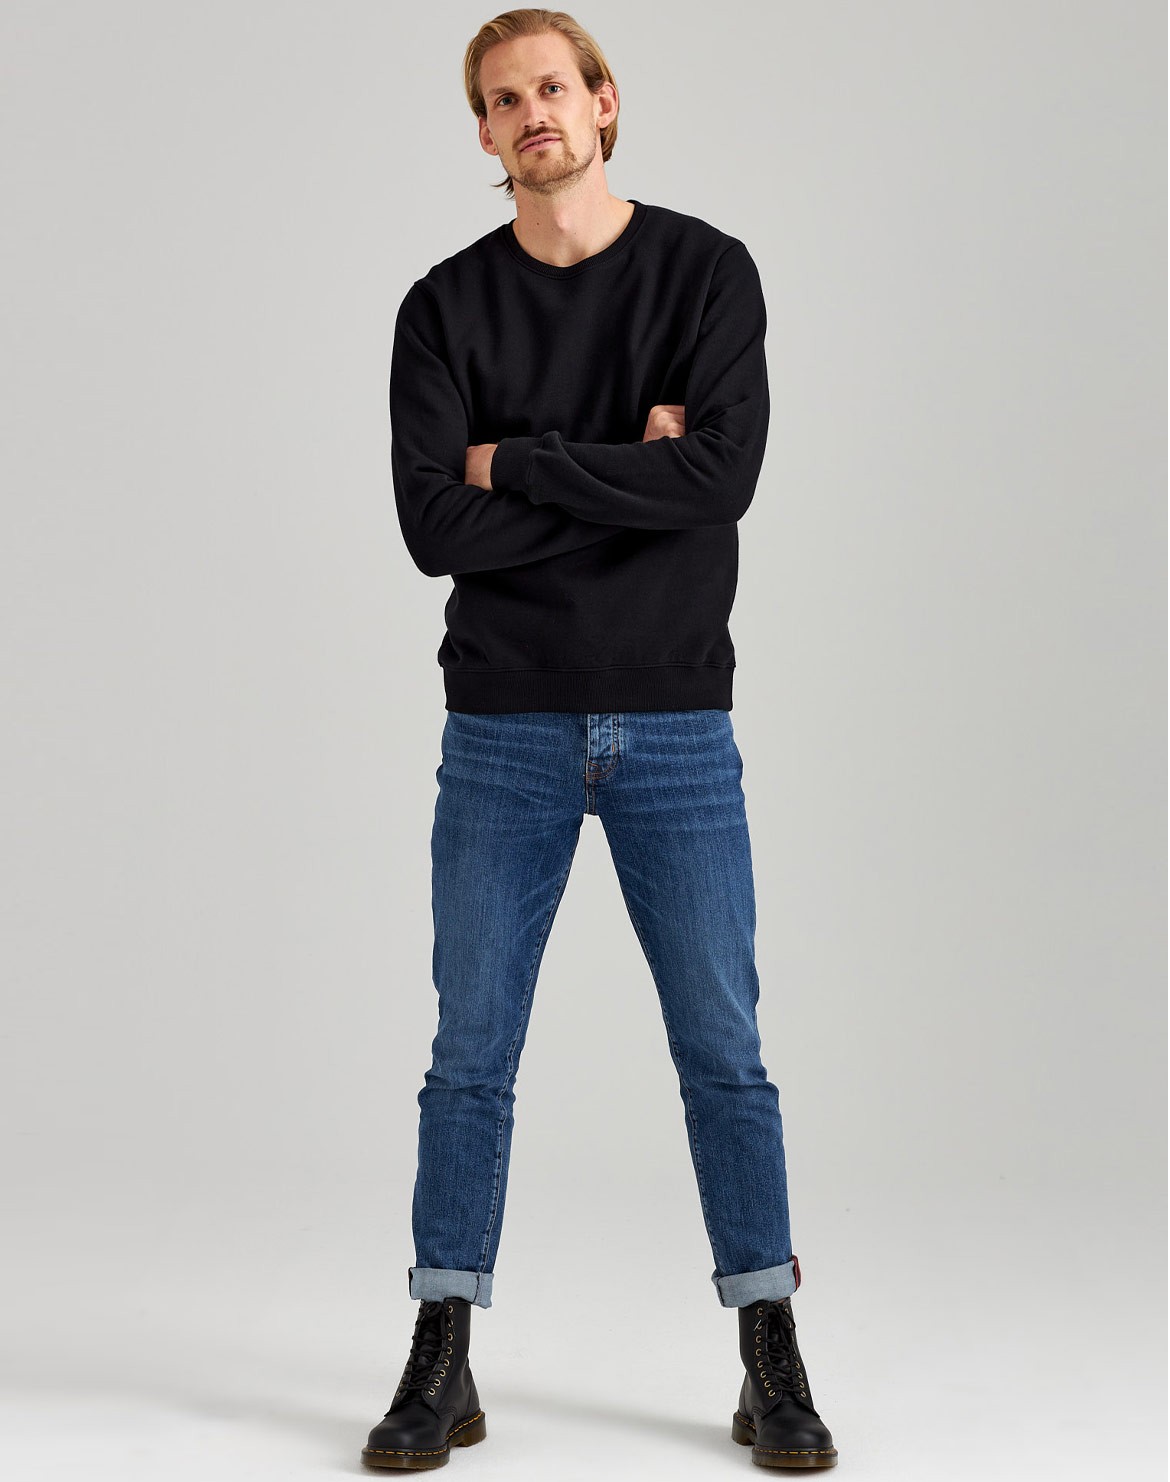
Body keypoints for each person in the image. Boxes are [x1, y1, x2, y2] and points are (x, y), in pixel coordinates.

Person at [362, 8, 838, 1472]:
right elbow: (433, 528)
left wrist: (520, 462)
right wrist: (631, 471)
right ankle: (442, 1354)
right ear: (484, 132)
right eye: (504, 100)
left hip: (677, 716)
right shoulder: (444, 308)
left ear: (605, 102)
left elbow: (719, 483)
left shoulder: (707, 273)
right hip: (501, 720)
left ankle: (770, 1353)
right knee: (470, 1055)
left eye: (553, 88)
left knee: (723, 1050)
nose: (533, 115)